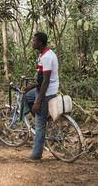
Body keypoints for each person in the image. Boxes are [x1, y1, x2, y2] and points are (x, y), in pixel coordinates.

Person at [23, 32, 59, 160]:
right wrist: (30, 87)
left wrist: (38, 102)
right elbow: (40, 78)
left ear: (40, 43)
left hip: (46, 92)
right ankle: (40, 116)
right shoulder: (42, 54)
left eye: (34, 41)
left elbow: (46, 81)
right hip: (42, 88)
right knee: (27, 97)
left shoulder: (47, 57)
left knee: (40, 125)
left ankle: (36, 155)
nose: (32, 43)